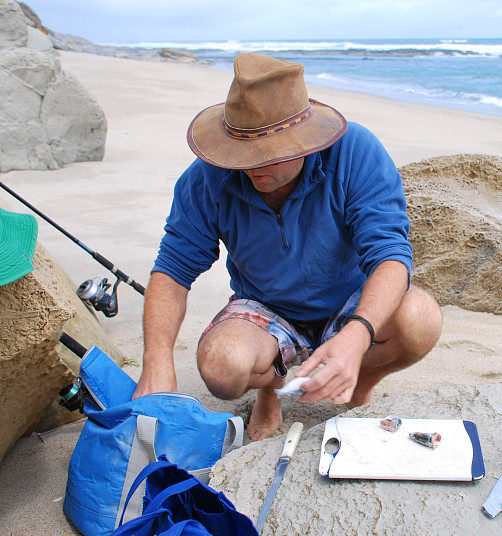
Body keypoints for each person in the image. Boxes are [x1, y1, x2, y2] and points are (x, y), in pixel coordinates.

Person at [131, 53, 442, 440]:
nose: (254, 167)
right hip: (266, 307)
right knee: (220, 368)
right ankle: (270, 391)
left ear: (306, 141)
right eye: (243, 153)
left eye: (270, 153)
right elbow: (172, 272)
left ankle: (358, 383)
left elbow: (391, 258)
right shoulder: (207, 178)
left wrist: (357, 335)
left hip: (349, 300)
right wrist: (156, 363)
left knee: (421, 318)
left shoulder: (357, 152)